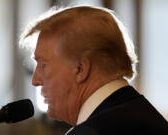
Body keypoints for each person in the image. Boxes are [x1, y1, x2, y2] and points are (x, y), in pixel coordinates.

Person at [20, 6, 168, 135]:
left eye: (43, 65)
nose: (35, 80)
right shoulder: (144, 116)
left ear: (80, 69)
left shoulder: (93, 132)